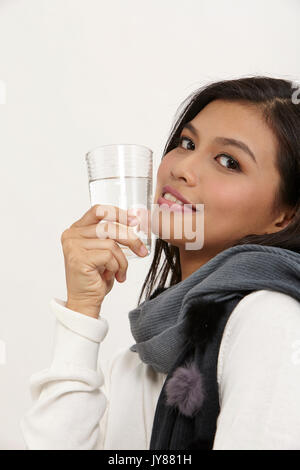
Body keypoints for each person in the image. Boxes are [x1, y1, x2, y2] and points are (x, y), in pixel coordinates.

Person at [21, 76, 300, 450]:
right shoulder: (139, 362)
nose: (182, 167)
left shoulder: (271, 320)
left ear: (284, 216)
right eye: (187, 143)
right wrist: (81, 310)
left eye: (228, 161)